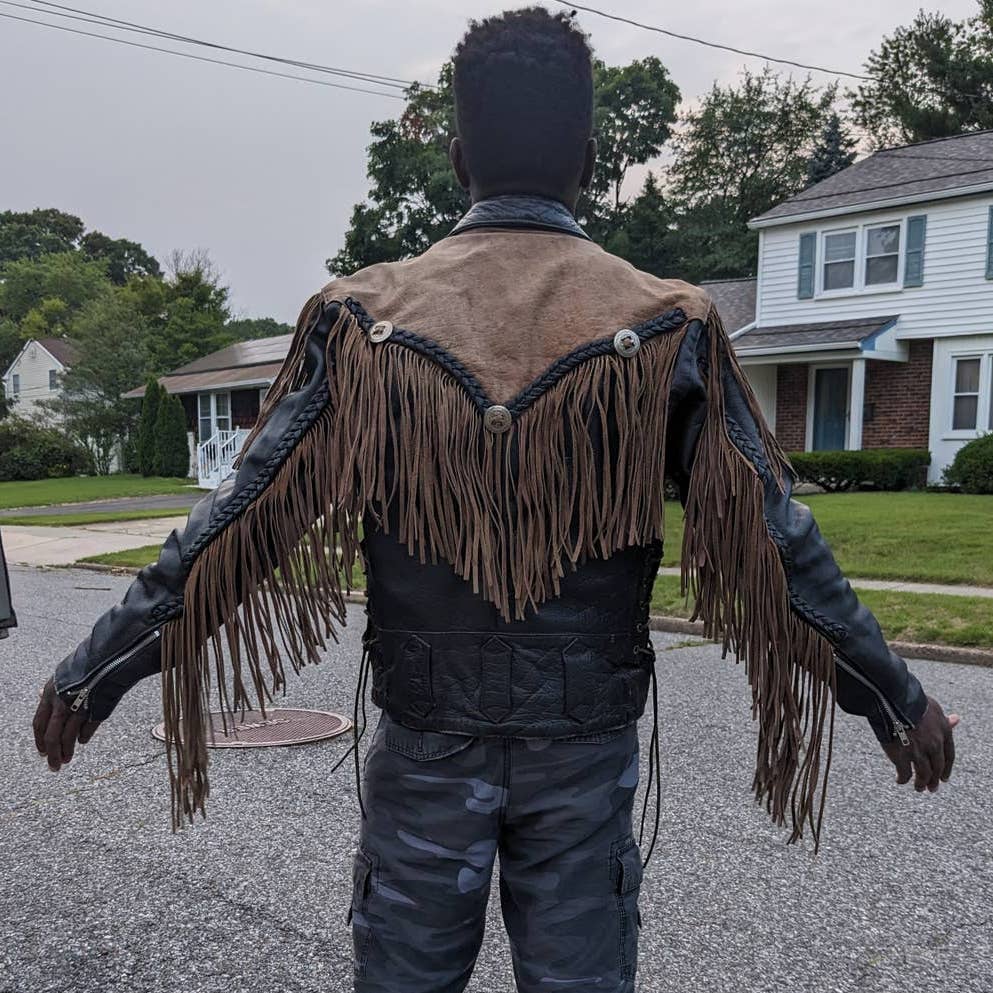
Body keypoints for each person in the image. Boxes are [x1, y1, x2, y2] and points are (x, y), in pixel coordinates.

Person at [32, 8, 959, 992]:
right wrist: (894, 699)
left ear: (461, 157)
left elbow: (231, 532)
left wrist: (94, 673)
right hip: (584, 751)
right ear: (592, 157)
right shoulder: (664, 323)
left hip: (425, 746)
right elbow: (780, 553)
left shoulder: (362, 320)